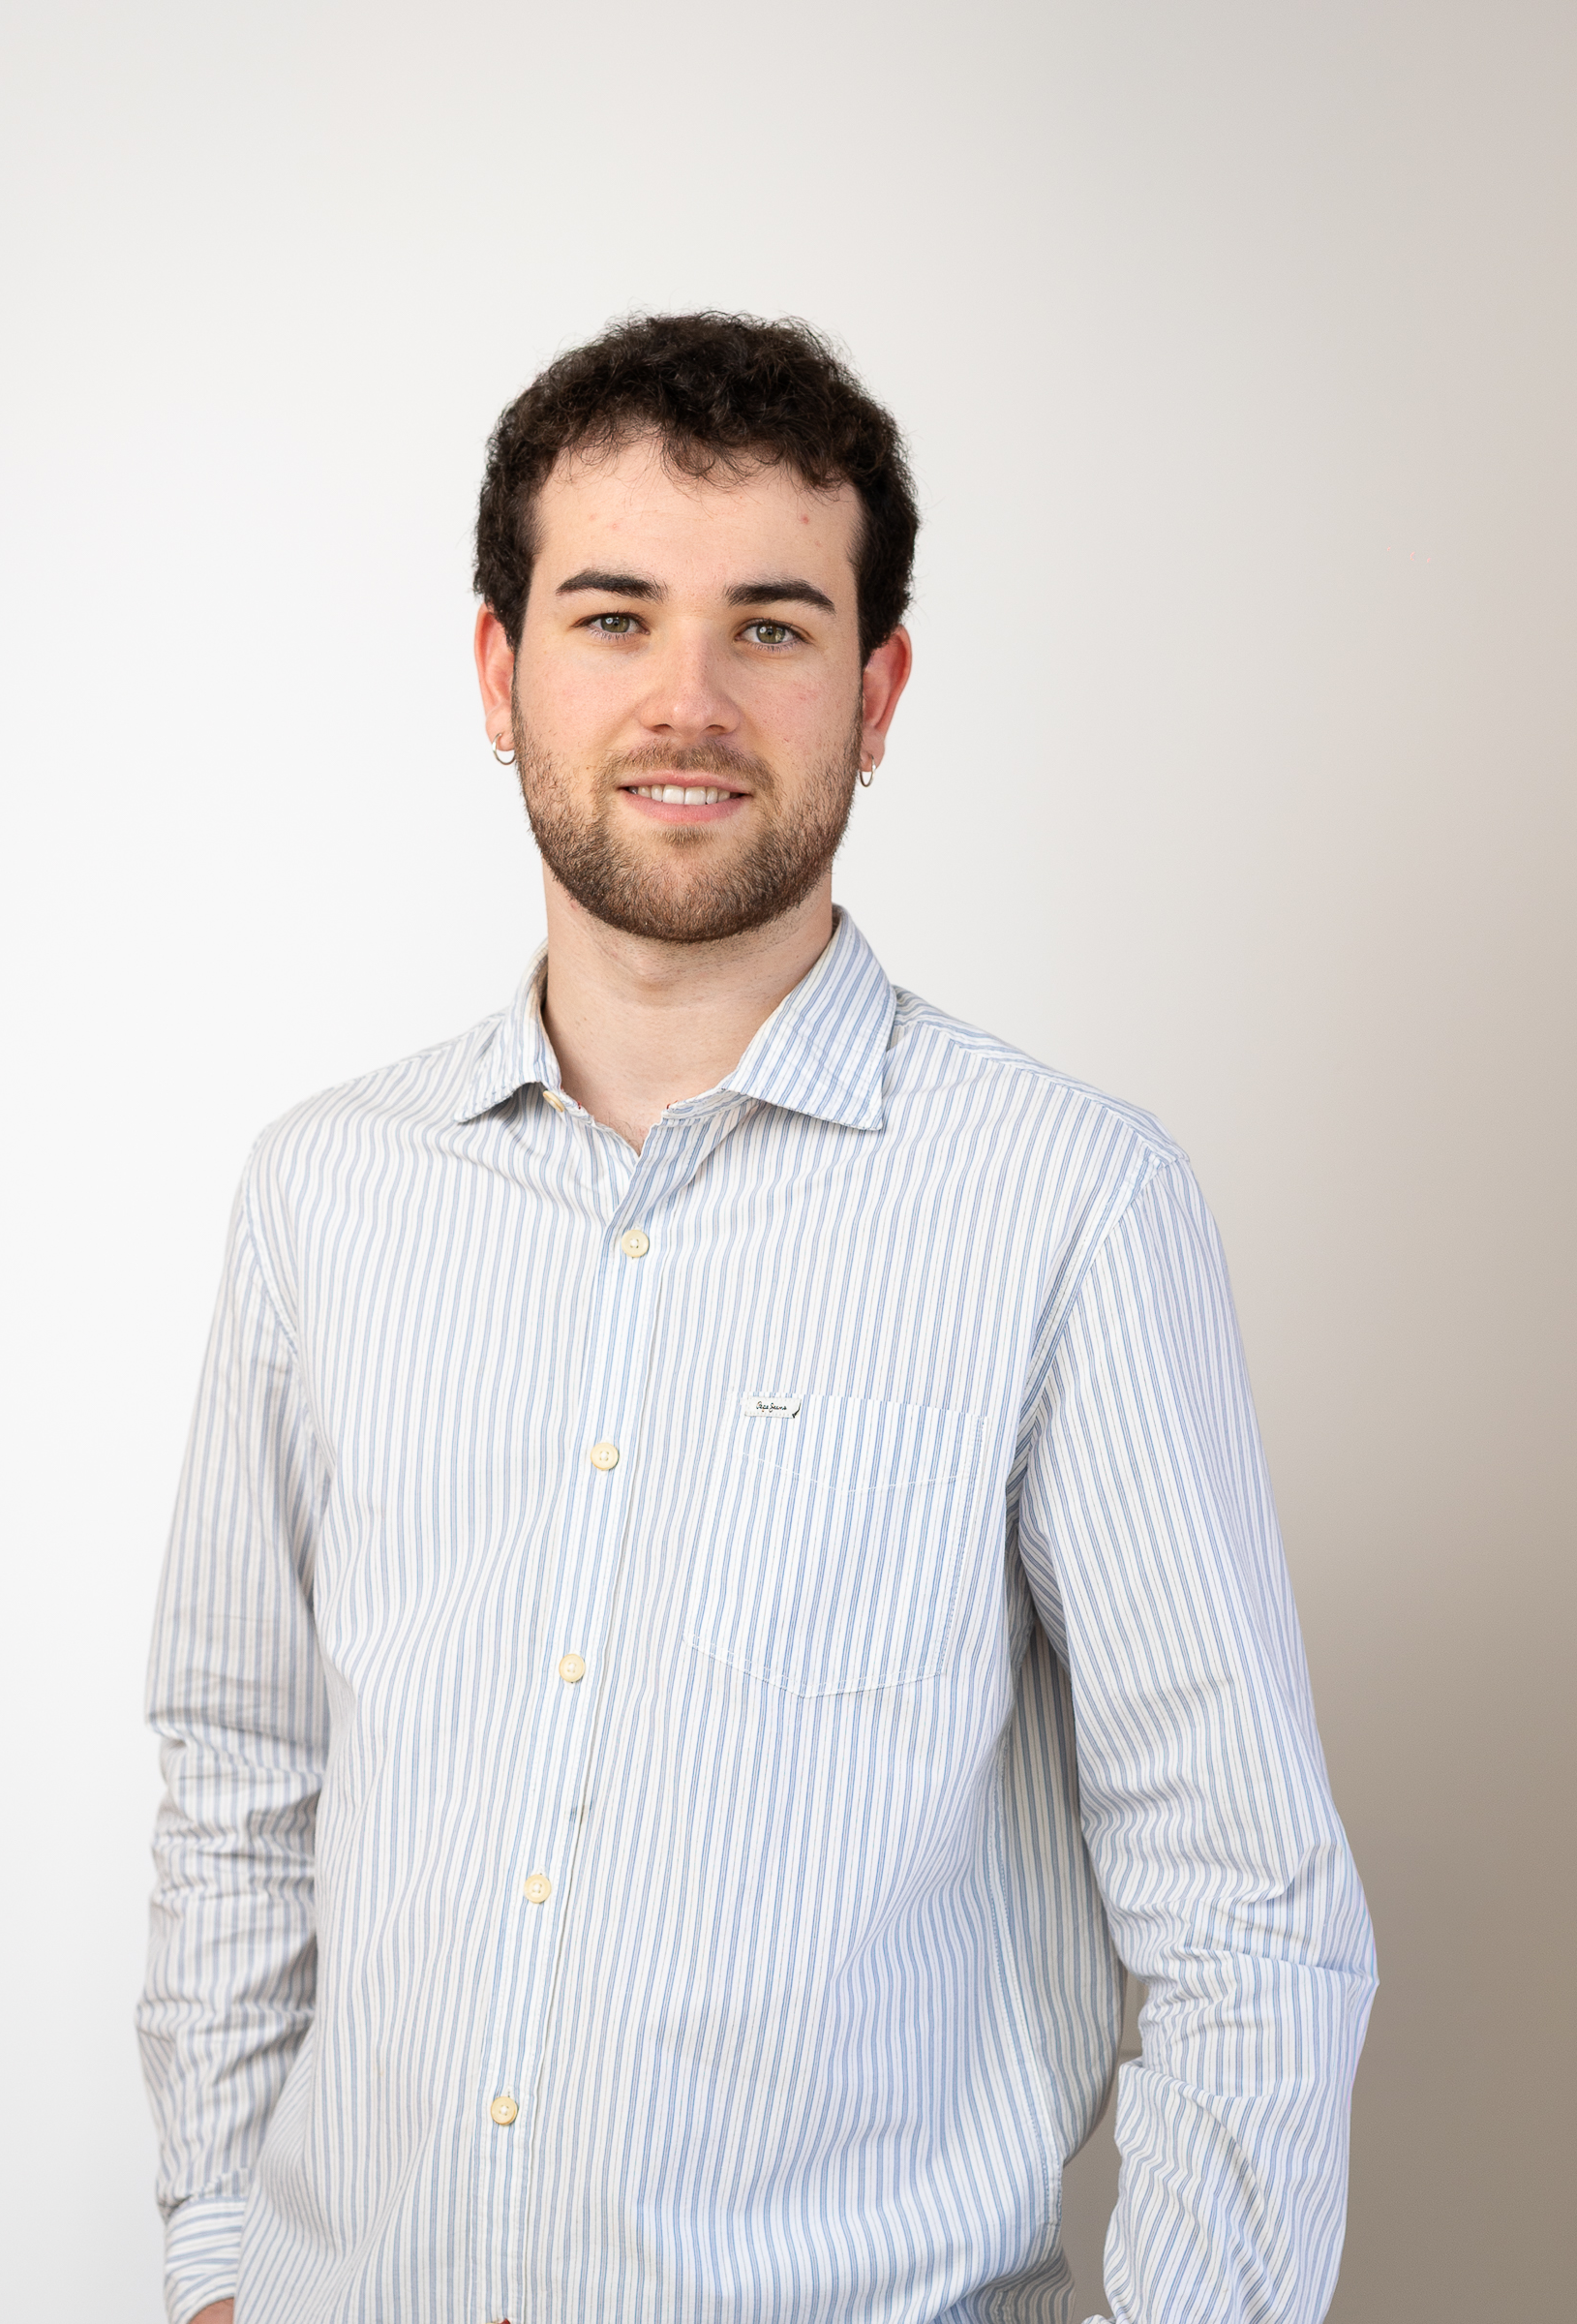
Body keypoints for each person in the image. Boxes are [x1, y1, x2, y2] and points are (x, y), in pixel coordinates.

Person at [137, 312, 1375, 2324]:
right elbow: (240, 1775)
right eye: (614, 617)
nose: (687, 702)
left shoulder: (1072, 1207)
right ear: (499, 671)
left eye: (773, 628)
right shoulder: (325, 1195)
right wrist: (214, 2256)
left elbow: (1248, 1914)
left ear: (877, 693)